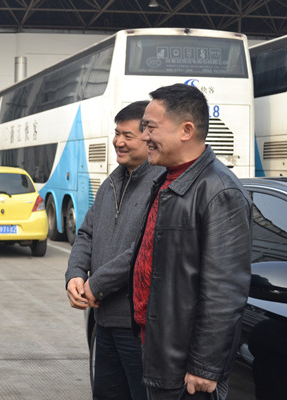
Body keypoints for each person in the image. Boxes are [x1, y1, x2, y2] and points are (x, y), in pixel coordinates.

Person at [131, 83, 252, 400]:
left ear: (186, 130)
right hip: (159, 350)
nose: (144, 137)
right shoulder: (167, 180)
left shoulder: (219, 191)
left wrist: (204, 366)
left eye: (151, 127)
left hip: (186, 370)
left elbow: (224, 291)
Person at [66, 100, 161, 400]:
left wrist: (97, 284)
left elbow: (144, 249)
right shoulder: (110, 183)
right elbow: (86, 233)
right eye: (116, 133)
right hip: (103, 322)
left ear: (147, 138)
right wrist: (75, 275)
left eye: (127, 135)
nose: (118, 142)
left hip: (137, 328)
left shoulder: (161, 185)